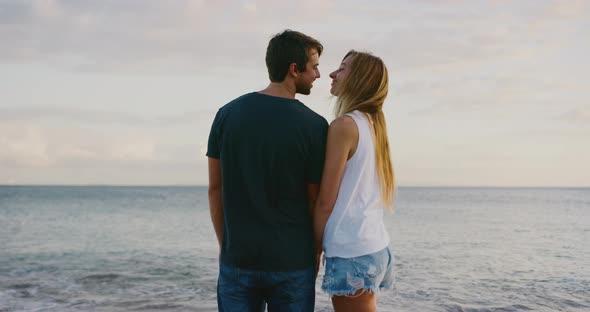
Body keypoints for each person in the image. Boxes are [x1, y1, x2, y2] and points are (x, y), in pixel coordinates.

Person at [206, 30, 328, 312]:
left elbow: (215, 189)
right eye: (315, 67)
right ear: (294, 69)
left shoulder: (227, 114)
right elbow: (314, 200)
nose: (318, 75)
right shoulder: (315, 126)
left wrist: (227, 246)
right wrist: (315, 251)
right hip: (292, 263)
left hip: (238, 259)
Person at [313, 50, 395, 312]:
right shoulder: (372, 124)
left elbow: (326, 200)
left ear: (358, 78)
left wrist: (313, 249)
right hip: (374, 246)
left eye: (342, 68)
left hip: (353, 252)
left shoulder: (344, 126)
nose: (332, 74)